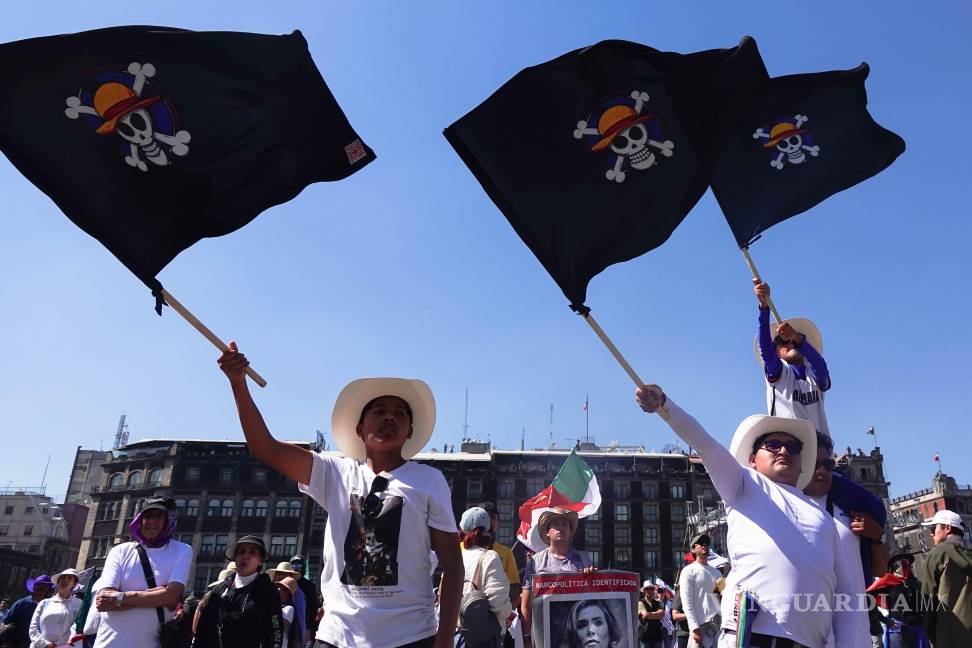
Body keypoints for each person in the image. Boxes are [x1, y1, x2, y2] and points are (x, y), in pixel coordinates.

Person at [218, 342, 463, 648]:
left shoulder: (429, 481)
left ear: (409, 430)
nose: (390, 417)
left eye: (399, 413)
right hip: (338, 636)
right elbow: (264, 447)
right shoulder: (333, 472)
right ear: (360, 428)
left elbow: (453, 565)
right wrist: (238, 384)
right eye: (379, 411)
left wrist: (444, 643)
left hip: (412, 636)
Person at [636, 384, 858, 647]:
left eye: (793, 447)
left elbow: (845, 594)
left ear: (801, 462)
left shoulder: (825, 519)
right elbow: (704, 444)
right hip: (751, 638)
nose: (784, 450)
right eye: (773, 444)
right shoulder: (743, 483)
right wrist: (665, 405)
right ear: (752, 459)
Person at [802, 431, 887, 647]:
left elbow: (879, 570)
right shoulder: (787, 507)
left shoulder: (852, 510)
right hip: (808, 627)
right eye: (814, 463)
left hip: (856, 628)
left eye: (827, 465)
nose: (821, 471)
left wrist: (875, 536)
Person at [92, 495, 192, 648]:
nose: (151, 521)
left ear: (169, 520)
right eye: (147, 516)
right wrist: (159, 595)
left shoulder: (182, 550)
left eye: (158, 516)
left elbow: (172, 597)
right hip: (109, 643)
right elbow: (105, 601)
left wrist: (120, 598)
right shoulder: (119, 551)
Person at [753, 280, 831, 436]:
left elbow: (820, 365)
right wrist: (764, 308)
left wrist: (798, 339)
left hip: (819, 452)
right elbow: (766, 350)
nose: (789, 341)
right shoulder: (780, 373)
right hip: (788, 450)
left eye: (795, 338)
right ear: (776, 352)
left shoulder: (814, 375)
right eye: (782, 341)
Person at [193, 535, 283, 648]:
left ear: (260, 561)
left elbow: (276, 631)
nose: (245, 556)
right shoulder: (219, 590)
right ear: (235, 558)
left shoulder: (268, 591)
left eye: (252, 552)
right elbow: (202, 629)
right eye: (241, 552)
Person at [520, 509, 593, 646]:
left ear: (571, 531)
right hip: (545, 636)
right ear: (547, 532)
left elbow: (593, 599)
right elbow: (526, 606)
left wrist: (592, 579)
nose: (561, 527)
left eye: (565, 524)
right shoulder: (535, 562)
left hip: (577, 635)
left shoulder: (584, 559)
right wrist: (527, 638)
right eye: (556, 524)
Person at [462, 502, 521, 648]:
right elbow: (499, 602)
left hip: (458, 633)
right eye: (488, 517)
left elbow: (444, 594)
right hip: (485, 635)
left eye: (494, 517)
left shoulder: (456, 554)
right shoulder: (491, 556)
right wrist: (506, 614)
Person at [919, 510, 972, 646]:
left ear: (947, 528)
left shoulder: (937, 554)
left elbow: (928, 599)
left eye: (933, 527)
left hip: (949, 635)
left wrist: (930, 633)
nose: (931, 533)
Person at [867, 552, 928, 648]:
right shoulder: (887, 581)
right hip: (897, 629)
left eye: (906, 561)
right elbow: (867, 597)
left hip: (919, 628)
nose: (903, 564)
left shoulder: (915, 583)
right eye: (898, 562)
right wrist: (884, 619)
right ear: (892, 566)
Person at [677, 534, 720, 648]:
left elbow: (719, 599)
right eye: (700, 543)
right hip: (700, 627)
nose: (704, 545)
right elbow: (687, 602)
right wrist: (694, 627)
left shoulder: (717, 573)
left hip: (717, 628)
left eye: (707, 543)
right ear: (693, 549)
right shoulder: (688, 571)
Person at [28, 568, 81, 648]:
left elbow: (76, 627)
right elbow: (33, 628)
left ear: (74, 584)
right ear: (58, 582)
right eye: (63, 577)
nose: (65, 580)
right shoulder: (44, 603)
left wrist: (58, 645)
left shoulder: (79, 604)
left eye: (69, 578)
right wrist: (45, 644)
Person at [3, 575, 52, 648]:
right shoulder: (21, 603)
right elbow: (7, 623)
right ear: (34, 587)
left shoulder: (51, 606)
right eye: (38, 586)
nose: (41, 589)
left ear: (48, 590)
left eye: (44, 587)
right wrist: (8, 643)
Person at [268, 562, 305, 648]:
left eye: (284, 573)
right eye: (279, 573)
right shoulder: (269, 591)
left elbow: (300, 621)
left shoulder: (296, 598)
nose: (280, 575)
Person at [287, 555, 322, 638]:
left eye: (299, 564)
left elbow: (313, 610)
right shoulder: (284, 582)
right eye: (293, 564)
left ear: (303, 566)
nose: (296, 567)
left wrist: (309, 631)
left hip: (300, 628)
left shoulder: (309, 586)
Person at [637, 582, 664, 648]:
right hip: (645, 636)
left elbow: (661, 614)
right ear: (644, 591)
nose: (649, 591)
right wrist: (656, 615)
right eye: (647, 589)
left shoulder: (658, 603)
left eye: (651, 589)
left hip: (657, 636)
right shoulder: (640, 602)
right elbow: (645, 614)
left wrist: (648, 615)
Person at [276, 577, 299, 648]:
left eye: (280, 587)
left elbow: (279, 625)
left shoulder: (289, 608)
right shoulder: (276, 605)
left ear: (287, 591)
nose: (277, 589)